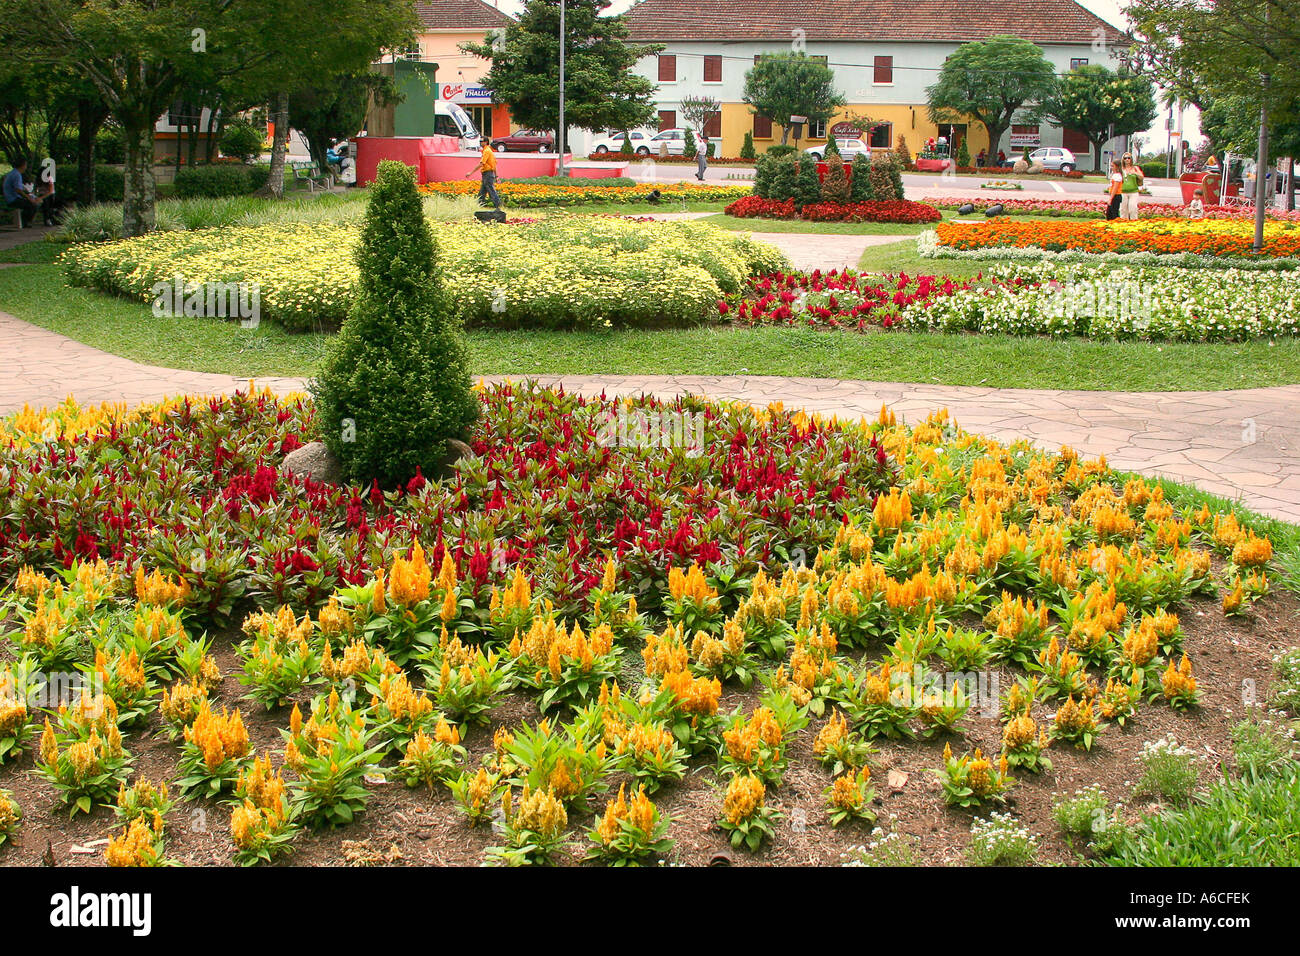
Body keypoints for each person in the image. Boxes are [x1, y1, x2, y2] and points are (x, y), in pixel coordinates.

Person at [3, 157, 54, 227]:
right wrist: (29, 198)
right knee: (34, 204)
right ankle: (25, 222)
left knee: (37, 201)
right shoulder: (17, 175)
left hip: (10, 197)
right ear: (23, 165)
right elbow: (18, 190)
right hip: (13, 199)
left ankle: (30, 220)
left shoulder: (12, 173)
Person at [469, 141, 500, 209]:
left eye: (481, 141)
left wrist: (471, 173)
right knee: (483, 191)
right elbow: (494, 165)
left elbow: (482, 163)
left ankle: (497, 205)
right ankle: (479, 204)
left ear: (485, 142)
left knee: (490, 190)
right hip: (488, 173)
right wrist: (496, 176)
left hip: (487, 173)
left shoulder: (487, 151)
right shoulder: (489, 151)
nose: (480, 142)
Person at [1119, 152, 1144, 220]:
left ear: (1131, 159)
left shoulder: (1135, 168)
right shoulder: (1121, 169)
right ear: (1123, 160)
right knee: (1123, 210)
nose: (1127, 159)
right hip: (1123, 192)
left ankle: (1134, 223)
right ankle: (1123, 224)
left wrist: (1135, 173)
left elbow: (1141, 177)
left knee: (1133, 208)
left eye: (1128, 158)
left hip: (1133, 191)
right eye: (1125, 158)